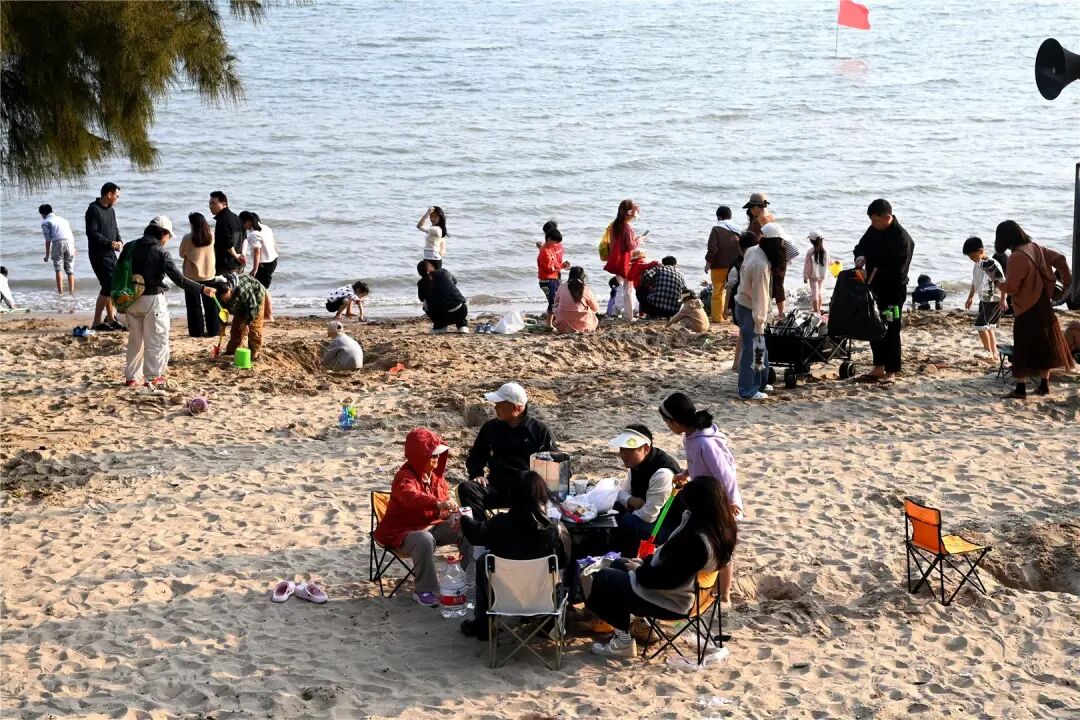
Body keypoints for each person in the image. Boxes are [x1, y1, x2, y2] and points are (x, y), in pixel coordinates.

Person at [586, 476, 737, 658]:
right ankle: (641, 624)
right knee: (618, 563)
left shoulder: (698, 541)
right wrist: (642, 564)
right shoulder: (722, 530)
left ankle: (622, 642)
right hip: (695, 595)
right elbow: (671, 564)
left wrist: (639, 570)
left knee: (603, 577)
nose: (686, 508)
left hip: (673, 601)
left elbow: (665, 579)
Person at [459, 470, 573, 640]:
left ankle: (484, 626)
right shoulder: (555, 529)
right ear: (543, 495)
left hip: (505, 599)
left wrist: (464, 518)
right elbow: (565, 562)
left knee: (484, 561)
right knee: (563, 570)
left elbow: (475, 535)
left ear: (512, 494)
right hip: (545, 602)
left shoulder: (498, 524)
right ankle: (550, 623)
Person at [658, 392, 742, 605]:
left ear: (675, 422)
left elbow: (726, 475)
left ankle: (725, 595)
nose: (668, 426)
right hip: (703, 498)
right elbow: (695, 461)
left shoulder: (705, 443)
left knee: (723, 548)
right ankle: (710, 587)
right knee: (708, 541)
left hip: (720, 501)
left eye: (667, 422)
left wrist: (730, 502)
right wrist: (686, 473)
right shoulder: (690, 437)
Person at [372, 428, 471, 607]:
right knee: (424, 539)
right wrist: (437, 503)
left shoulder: (436, 477)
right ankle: (424, 590)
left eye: (439, 455)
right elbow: (411, 497)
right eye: (433, 455)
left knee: (467, 527)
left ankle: (465, 578)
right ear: (420, 457)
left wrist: (452, 512)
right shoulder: (404, 478)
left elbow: (442, 507)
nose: (437, 458)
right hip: (402, 532)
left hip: (432, 526)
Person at [124, 216, 216, 387]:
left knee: (135, 341)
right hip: (153, 299)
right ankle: (153, 377)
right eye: (168, 236)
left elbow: (119, 271)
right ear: (162, 233)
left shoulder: (130, 246)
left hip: (131, 299)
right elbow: (179, 279)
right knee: (156, 340)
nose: (167, 240)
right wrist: (202, 288)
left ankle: (131, 378)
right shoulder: (160, 252)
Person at [995, 220, 1073, 398]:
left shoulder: (1016, 257)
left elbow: (1013, 288)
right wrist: (1067, 283)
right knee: (1044, 346)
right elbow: (1061, 259)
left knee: (1023, 347)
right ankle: (1044, 386)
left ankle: (1020, 389)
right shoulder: (1036, 248)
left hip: (1027, 307)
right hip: (1044, 303)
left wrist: (999, 284)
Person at [458, 382, 557, 520]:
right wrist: (477, 474)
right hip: (497, 486)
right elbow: (476, 455)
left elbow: (554, 464)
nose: (495, 407)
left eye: (500, 404)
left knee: (536, 490)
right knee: (467, 488)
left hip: (526, 489)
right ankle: (481, 529)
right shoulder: (490, 428)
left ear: (516, 408)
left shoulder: (539, 431)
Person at [852, 199, 915, 381]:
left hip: (893, 292)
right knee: (874, 325)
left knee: (891, 328)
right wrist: (860, 256)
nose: (873, 224)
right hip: (874, 289)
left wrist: (875, 273)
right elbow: (860, 246)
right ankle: (878, 367)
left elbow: (899, 272)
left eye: (875, 220)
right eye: (871, 221)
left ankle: (891, 371)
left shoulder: (902, 238)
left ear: (887, 217)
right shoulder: (873, 230)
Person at [609, 425, 680, 557]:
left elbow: (648, 516)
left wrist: (628, 510)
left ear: (646, 449)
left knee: (628, 522)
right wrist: (631, 500)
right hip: (644, 513)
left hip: (666, 526)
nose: (623, 454)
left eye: (629, 450)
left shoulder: (662, 473)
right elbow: (621, 492)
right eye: (622, 449)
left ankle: (627, 558)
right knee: (615, 509)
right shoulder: (636, 463)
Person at [733, 232, 784, 400]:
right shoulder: (761, 265)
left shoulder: (753, 250)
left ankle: (760, 383)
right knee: (753, 350)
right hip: (751, 308)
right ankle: (747, 390)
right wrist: (760, 321)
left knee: (760, 348)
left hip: (744, 304)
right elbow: (759, 297)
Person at [85, 182, 124, 331]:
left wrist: (119, 241)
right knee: (108, 285)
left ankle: (111, 319)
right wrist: (110, 243)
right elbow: (92, 233)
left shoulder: (111, 210)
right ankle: (96, 322)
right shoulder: (93, 210)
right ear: (109, 194)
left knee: (112, 286)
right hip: (98, 254)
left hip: (110, 253)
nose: (117, 199)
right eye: (117, 196)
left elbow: (115, 228)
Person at [962, 236, 1006, 360]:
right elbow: (975, 281)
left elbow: (1002, 282)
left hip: (993, 300)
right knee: (988, 326)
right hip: (984, 299)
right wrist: (970, 297)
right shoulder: (978, 264)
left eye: (973, 256)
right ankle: (994, 353)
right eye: (970, 257)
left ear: (981, 251)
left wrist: (1003, 299)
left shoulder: (990, 264)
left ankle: (987, 351)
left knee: (980, 325)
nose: (972, 259)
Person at [178, 212, 220, 338]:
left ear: (192, 224)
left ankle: (196, 332)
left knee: (193, 306)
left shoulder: (187, 238)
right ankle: (214, 331)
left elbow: (181, 254)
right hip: (209, 274)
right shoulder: (211, 235)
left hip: (191, 276)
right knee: (211, 305)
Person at [603, 199, 645, 321]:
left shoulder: (613, 225)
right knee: (628, 289)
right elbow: (630, 246)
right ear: (629, 213)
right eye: (634, 214)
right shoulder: (628, 227)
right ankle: (629, 316)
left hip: (616, 260)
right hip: (626, 261)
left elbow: (615, 244)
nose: (635, 217)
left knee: (623, 288)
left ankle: (620, 311)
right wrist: (639, 240)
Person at [724, 231, 760, 371]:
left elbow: (729, 287)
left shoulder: (739, 264)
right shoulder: (753, 263)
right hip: (743, 305)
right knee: (744, 334)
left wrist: (725, 306)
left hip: (742, 304)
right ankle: (738, 363)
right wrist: (725, 307)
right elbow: (730, 287)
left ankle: (738, 362)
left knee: (743, 334)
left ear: (740, 248)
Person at [214, 272, 269, 362]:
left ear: (229, 289)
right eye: (222, 298)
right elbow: (223, 311)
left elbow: (252, 307)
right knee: (236, 328)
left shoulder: (242, 289)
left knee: (254, 328)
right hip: (239, 303)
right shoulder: (218, 293)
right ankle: (231, 351)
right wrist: (223, 325)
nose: (224, 300)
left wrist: (246, 323)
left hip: (255, 299)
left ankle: (255, 354)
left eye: (226, 297)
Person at [705, 206, 742, 323]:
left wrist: (708, 263)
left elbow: (712, 249)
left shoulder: (716, 229)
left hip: (718, 266)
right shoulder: (738, 230)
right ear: (730, 216)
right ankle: (732, 315)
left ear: (719, 217)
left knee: (717, 292)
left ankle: (717, 318)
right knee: (733, 290)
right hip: (734, 266)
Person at [240, 211, 279, 322]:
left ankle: (268, 315)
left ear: (249, 221)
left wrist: (255, 269)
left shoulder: (254, 234)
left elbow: (257, 250)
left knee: (262, 289)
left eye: (243, 223)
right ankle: (264, 313)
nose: (242, 226)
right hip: (273, 260)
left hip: (264, 264)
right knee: (262, 288)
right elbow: (274, 242)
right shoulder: (266, 228)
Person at [417, 259, 469, 333]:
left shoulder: (421, 283)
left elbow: (421, 299)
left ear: (419, 273)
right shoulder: (444, 272)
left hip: (442, 318)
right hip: (461, 311)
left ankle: (440, 327)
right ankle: (462, 325)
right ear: (432, 267)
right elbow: (455, 281)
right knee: (453, 296)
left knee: (426, 303)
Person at [537, 223, 570, 326]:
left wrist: (562, 265)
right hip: (548, 279)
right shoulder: (546, 250)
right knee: (553, 301)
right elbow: (548, 268)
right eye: (555, 242)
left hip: (553, 277)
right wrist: (562, 266)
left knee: (555, 300)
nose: (556, 244)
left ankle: (552, 322)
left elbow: (553, 264)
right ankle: (550, 324)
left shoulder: (550, 248)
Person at [40, 204, 76, 295]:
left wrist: (47, 255)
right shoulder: (63, 220)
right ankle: (71, 291)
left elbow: (48, 240)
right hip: (70, 243)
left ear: (42, 214)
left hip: (58, 243)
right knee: (70, 268)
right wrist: (74, 247)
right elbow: (70, 233)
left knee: (58, 267)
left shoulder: (45, 222)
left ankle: (60, 292)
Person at [760, 222, 795, 316]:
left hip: (768, 269)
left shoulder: (763, 244)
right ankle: (781, 313)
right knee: (779, 288)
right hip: (781, 267)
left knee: (766, 289)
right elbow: (791, 255)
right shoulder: (783, 246)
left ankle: (767, 312)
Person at [553, 266, 599, 333]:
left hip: (563, 322)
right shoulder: (586, 289)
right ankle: (581, 326)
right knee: (592, 314)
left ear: (570, 275)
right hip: (583, 323)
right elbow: (595, 308)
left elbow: (555, 303)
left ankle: (567, 326)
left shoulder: (561, 287)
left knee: (557, 306)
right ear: (582, 276)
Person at [209, 191, 245, 275]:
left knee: (223, 284)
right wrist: (241, 255)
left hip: (224, 265)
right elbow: (245, 238)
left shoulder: (222, 220)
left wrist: (235, 255)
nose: (211, 206)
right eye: (210, 204)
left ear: (224, 203)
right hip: (236, 264)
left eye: (213, 203)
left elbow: (227, 243)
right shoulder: (237, 218)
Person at [803, 231, 829, 315]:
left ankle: (816, 311)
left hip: (813, 275)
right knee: (820, 291)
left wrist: (805, 276)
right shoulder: (826, 251)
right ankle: (819, 308)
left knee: (815, 292)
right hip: (822, 275)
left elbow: (807, 265)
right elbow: (829, 262)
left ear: (811, 241)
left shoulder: (810, 252)